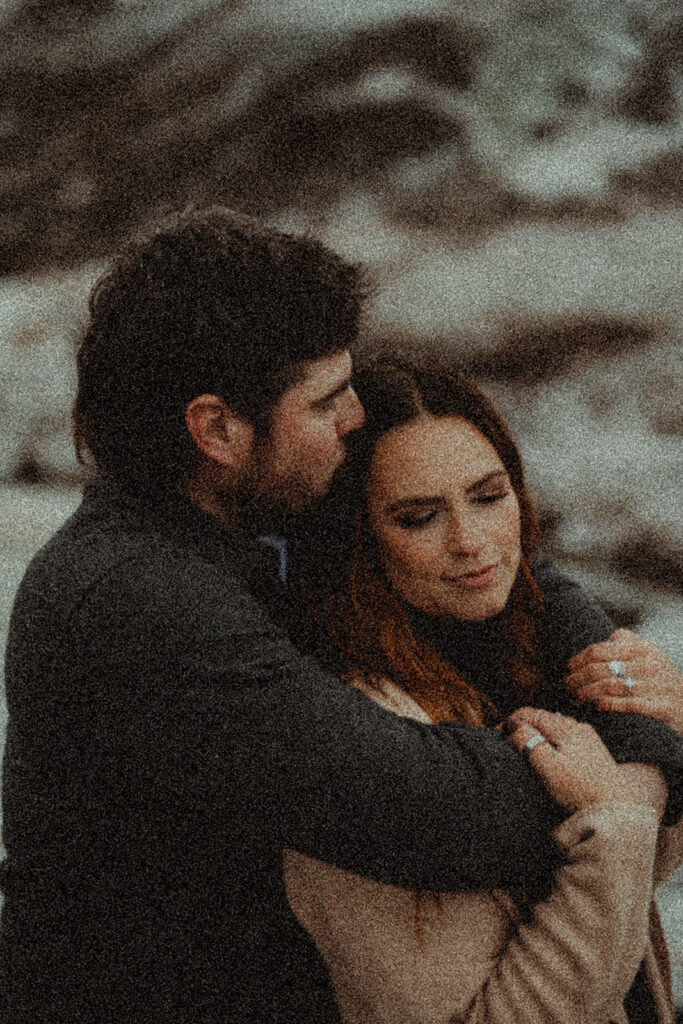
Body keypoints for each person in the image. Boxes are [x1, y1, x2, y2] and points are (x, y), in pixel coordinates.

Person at [1, 208, 681, 1023]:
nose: (352, 420)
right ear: (217, 428)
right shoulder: (140, 603)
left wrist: (606, 669)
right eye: (326, 403)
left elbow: (505, 567)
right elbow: (436, 812)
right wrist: (637, 762)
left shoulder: (248, 512)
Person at [285, 356, 683, 1023]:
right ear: (357, 538)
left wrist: (665, 724)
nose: (471, 542)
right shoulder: (353, 731)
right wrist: (611, 827)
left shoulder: (526, 642)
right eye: (418, 518)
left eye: (489, 496)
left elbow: (637, 886)